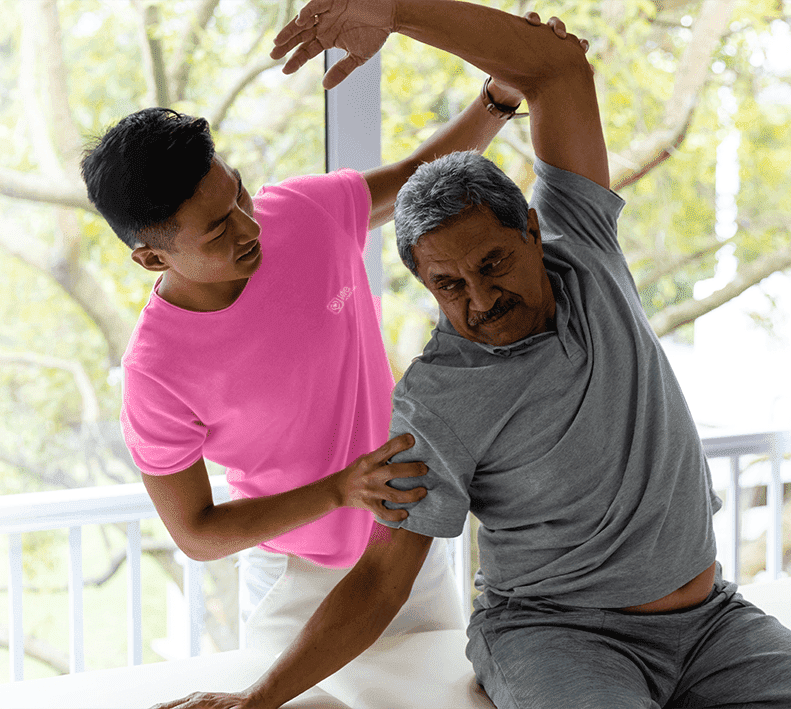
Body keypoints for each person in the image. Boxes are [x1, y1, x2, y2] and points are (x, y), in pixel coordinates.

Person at [148, 1, 791, 708]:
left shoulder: (587, 249)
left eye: (492, 264)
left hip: (712, 622)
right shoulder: (439, 397)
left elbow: (557, 68)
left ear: (532, 230)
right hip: (559, 635)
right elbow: (382, 578)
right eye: (448, 284)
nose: (479, 300)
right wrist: (255, 699)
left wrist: (390, 10)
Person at [80, 5, 582, 663]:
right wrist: (339, 489)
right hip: (294, 580)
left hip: (409, 549)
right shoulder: (155, 370)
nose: (247, 225)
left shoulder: (299, 212)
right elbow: (197, 534)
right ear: (152, 258)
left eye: (238, 195)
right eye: (216, 230)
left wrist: (498, 96)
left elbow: (419, 177)